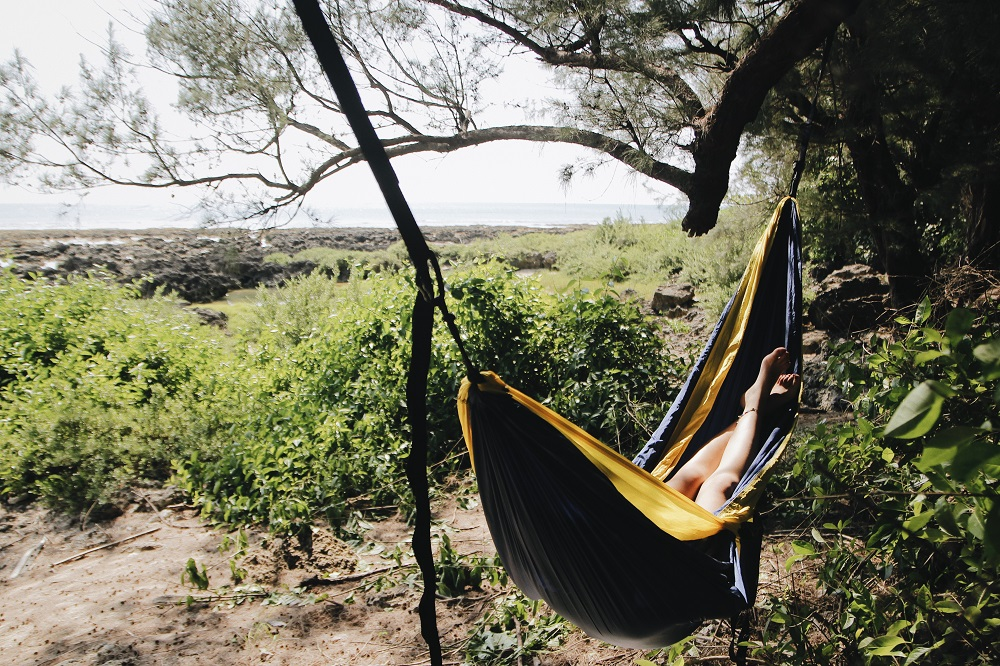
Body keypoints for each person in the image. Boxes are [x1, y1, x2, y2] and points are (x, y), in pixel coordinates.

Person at [666, 347, 800, 513]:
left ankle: (754, 405)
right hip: (692, 534)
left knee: (686, 480)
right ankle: (755, 405)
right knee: (716, 486)